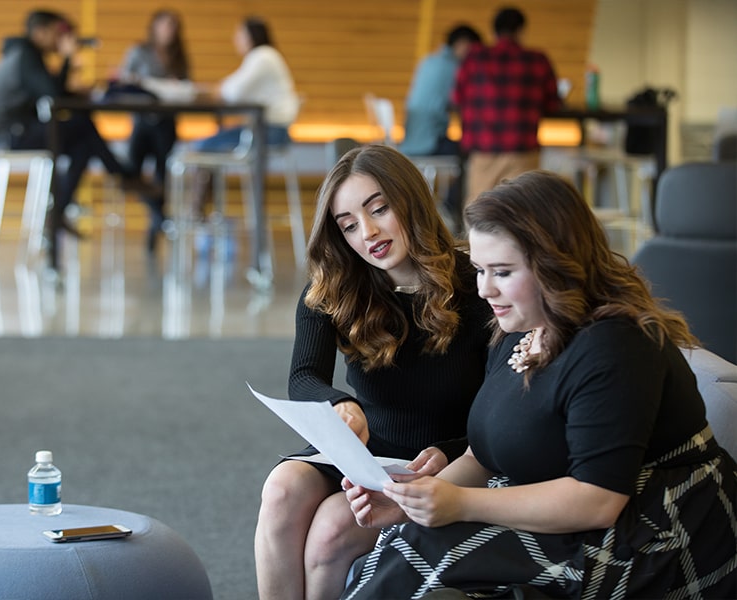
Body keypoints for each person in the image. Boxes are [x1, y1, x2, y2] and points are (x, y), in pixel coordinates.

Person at [342, 170, 737, 599]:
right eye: (478, 269)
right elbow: (483, 454)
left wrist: (459, 504)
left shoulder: (616, 343)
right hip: (556, 500)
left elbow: (599, 500)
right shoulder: (518, 328)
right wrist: (410, 502)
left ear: (555, 263)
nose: (485, 288)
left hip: (653, 529)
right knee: (405, 542)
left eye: (503, 271)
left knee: (425, 557)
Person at [254, 145, 492, 600]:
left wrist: (448, 452)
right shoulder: (337, 287)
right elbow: (303, 377)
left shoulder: (477, 285)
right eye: (348, 225)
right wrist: (340, 405)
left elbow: (499, 410)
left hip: (446, 459)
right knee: (282, 489)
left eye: (378, 209)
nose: (368, 233)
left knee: (329, 531)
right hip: (364, 451)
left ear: (410, 200)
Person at [0, 9, 150, 268]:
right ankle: (125, 177)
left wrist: (70, 80)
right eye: (58, 34)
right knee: (82, 126)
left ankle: (59, 212)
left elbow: (52, 93)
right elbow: (53, 96)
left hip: (15, 131)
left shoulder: (24, 54)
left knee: (82, 143)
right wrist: (68, 59)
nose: (61, 40)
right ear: (41, 31)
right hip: (11, 136)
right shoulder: (25, 55)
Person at [452, 7, 560, 209]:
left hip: (482, 148)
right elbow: (552, 102)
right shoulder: (537, 60)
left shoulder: (474, 58)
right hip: (521, 149)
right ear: (521, 31)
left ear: (493, 32)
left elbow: (457, 97)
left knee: (478, 210)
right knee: (522, 211)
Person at [191, 16, 299, 217]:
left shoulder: (263, 56)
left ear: (250, 36)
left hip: (269, 131)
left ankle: (199, 213)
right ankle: (204, 212)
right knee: (209, 146)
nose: (235, 39)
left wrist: (208, 91)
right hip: (270, 130)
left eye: (239, 34)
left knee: (202, 146)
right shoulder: (265, 57)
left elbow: (232, 91)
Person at [118, 9, 190, 256]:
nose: (168, 30)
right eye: (165, 25)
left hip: (166, 122)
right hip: (141, 122)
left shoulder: (179, 57)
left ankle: (155, 226)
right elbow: (122, 83)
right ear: (155, 27)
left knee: (162, 175)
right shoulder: (139, 52)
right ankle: (159, 216)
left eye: (173, 25)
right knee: (131, 174)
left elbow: (186, 89)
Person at [399, 25, 481, 158]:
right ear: (462, 43)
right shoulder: (454, 68)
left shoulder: (428, 61)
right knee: (473, 154)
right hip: (430, 144)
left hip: (410, 142)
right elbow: (462, 107)